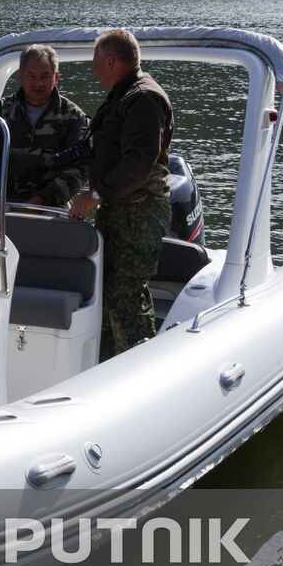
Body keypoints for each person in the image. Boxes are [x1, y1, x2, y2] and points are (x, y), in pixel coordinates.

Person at [67, 29, 174, 360]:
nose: (94, 70)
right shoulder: (123, 95)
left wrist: (95, 194)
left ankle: (141, 369)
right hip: (119, 211)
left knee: (125, 296)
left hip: (139, 213)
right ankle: (109, 365)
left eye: (97, 63)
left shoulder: (144, 99)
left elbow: (138, 163)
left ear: (110, 61)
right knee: (108, 294)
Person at [0, 44, 89, 206]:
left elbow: (80, 169)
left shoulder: (74, 117)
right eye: (32, 76)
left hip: (52, 208)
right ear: (20, 76)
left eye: (45, 76)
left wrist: (42, 199)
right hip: (2, 206)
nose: (38, 83)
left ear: (56, 77)